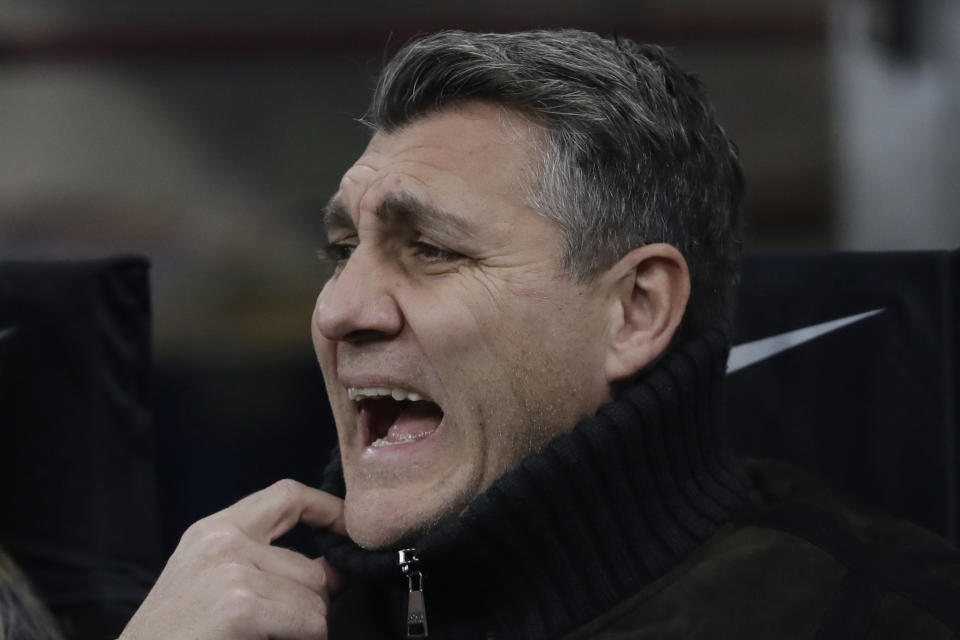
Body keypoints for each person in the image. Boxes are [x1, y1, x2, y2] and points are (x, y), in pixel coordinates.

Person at [120, 29, 960, 639]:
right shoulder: (241, 620)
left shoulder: (884, 614)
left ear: (634, 310)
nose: (341, 311)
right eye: (343, 252)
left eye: (433, 250)